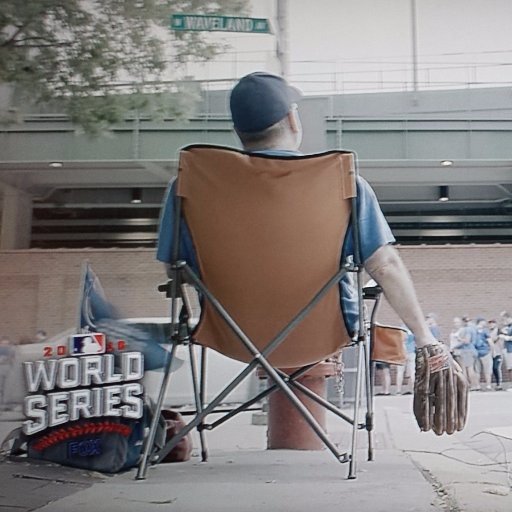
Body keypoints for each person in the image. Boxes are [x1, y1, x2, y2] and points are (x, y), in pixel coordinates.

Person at [156, 72, 445, 357]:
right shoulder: (344, 184)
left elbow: (175, 269)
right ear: (293, 120)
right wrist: (424, 338)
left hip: (230, 338)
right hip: (324, 335)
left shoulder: (187, 186)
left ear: (238, 131)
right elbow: (385, 266)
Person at [451, 316, 479, 390]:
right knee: (472, 369)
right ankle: (476, 385)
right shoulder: (473, 329)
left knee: (468, 369)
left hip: (467, 351)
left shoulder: (467, 330)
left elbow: (466, 341)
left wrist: (457, 341)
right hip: (472, 350)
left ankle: (472, 385)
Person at [395, 326, 415, 395]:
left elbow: (401, 342)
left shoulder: (401, 329)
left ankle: (398, 390)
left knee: (400, 372)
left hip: (401, 353)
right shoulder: (412, 330)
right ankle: (413, 389)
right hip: (412, 352)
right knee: (412, 372)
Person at [474, 317, 492, 390]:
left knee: (477, 371)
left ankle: (477, 386)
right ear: (481, 322)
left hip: (476, 352)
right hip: (485, 352)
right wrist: (492, 350)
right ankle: (488, 385)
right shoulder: (485, 331)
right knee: (487, 370)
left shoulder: (474, 330)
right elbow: (490, 341)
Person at [488, 319, 504, 390]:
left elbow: (497, 339)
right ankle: (497, 384)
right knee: (493, 369)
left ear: (495, 324)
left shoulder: (499, 331)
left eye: (492, 323)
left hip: (498, 353)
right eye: (490, 324)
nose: (491, 325)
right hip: (492, 353)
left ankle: (499, 384)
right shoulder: (489, 332)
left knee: (497, 368)